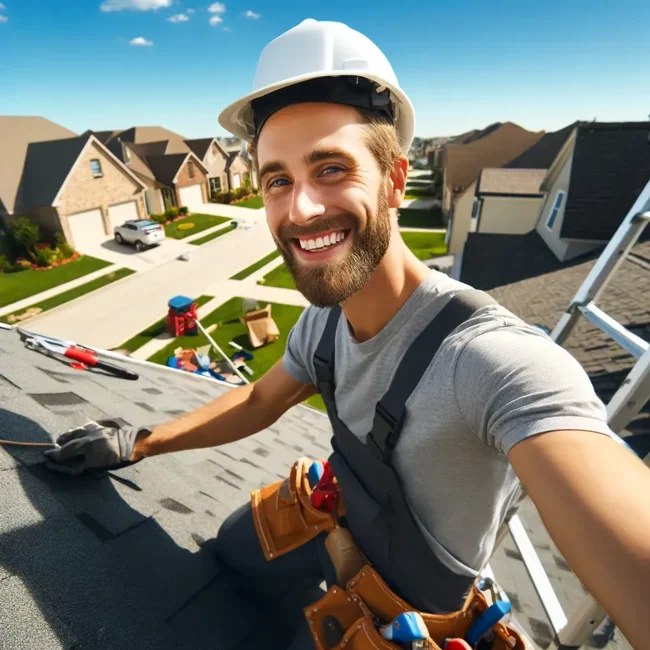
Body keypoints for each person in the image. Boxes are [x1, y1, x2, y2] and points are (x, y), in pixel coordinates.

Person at [44, 19, 650, 650]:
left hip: (402, 613)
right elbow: (259, 400)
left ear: (393, 180)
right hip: (330, 519)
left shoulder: (494, 361)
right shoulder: (325, 322)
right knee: (225, 553)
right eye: (277, 179)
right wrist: (139, 441)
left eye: (330, 168)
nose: (300, 209)